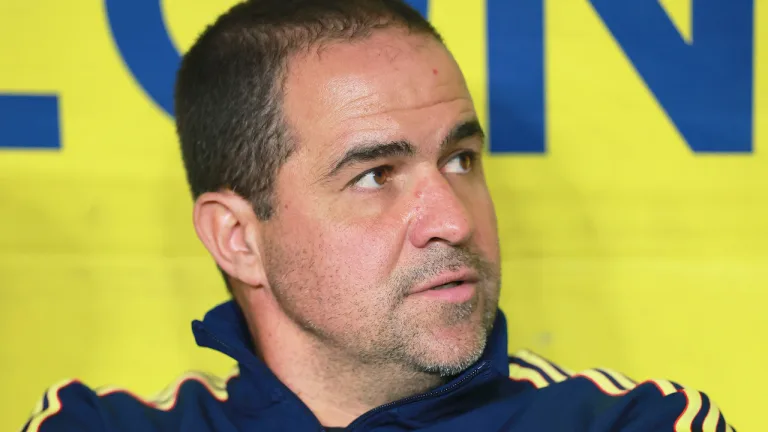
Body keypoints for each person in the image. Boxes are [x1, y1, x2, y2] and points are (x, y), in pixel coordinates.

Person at [22, 0, 733, 431]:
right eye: (375, 176)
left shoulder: (637, 423)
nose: (452, 221)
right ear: (237, 238)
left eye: (460, 159)